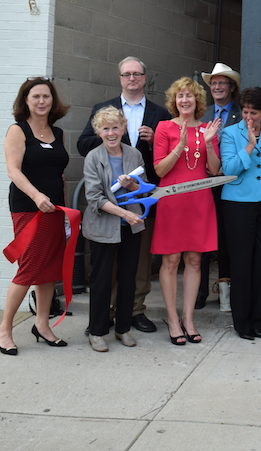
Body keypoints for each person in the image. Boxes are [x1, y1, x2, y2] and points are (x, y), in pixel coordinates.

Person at [77, 56, 172, 334]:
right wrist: (109, 136)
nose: (132, 78)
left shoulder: (160, 113)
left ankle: (134, 311)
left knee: (138, 262)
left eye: (137, 74)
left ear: (145, 78)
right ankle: (105, 313)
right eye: (127, 74)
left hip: (140, 199)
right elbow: (83, 144)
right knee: (107, 265)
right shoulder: (102, 110)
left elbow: (167, 157)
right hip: (108, 201)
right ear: (120, 78)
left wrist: (155, 141)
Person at [0, 77, 70, 355]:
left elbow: (60, 173)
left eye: (46, 96)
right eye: (36, 97)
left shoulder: (59, 132)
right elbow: (13, 171)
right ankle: (5, 329)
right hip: (29, 208)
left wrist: (61, 208)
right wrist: (37, 196)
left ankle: (42, 324)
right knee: (29, 268)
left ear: (53, 100)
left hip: (56, 210)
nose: (42, 101)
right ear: (26, 101)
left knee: (50, 268)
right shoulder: (18, 130)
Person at [152, 77, 221, 345]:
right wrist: (179, 146)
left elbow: (214, 170)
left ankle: (188, 318)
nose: (185, 100)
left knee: (194, 261)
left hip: (199, 201)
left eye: (189, 96)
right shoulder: (164, 128)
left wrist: (211, 142)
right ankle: (172, 319)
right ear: (174, 101)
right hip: (172, 201)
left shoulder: (207, 129)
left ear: (197, 101)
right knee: (171, 262)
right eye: (180, 96)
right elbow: (159, 170)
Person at [219, 87, 261, 341]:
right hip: (237, 204)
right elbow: (229, 169)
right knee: (241, 264)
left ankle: (258, 320)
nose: (249, 118)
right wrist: (249, 146)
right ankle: (241, 322)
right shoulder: (229, 134)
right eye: (245, 112)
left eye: (254, 113)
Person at [82, 106, 145, 352]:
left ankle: (123, 328)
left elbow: (144, 188)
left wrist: (132, 186)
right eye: (105, 128)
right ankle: (97, 332)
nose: (111, 133)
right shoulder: (93, 157)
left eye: (115, 127)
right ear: (98, 132)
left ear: (123, 128)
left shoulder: (134, 155)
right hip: (103, 226)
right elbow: (95, 198)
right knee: (101, 279)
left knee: (128, 278)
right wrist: (125, 213)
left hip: (131, 227)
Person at [195, 63, 242, 310]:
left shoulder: (241, 114)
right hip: (205, 183)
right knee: (202, 237)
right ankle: (201, 291)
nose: (216, 87)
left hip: (231, 184)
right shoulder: (202, 114)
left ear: (231, 87)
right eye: (213, 83)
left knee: (226, 237)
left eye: (222, 83)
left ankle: (226, 289)